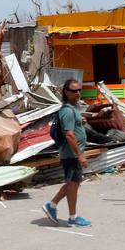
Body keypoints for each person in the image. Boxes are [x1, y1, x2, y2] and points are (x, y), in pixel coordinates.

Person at [43, 79, 92, 227]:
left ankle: (54, 207)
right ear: (66, 92)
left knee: (72, 184)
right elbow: (69, 134)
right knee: (72, 185)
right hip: (71, 155)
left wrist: (80, 122)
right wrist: (80, 155)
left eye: (79, 90)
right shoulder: (67, 111)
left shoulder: (74, 108)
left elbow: (73, 127)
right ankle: (70, 216)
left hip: (72, 154)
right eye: (74, 91)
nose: (77, 93)